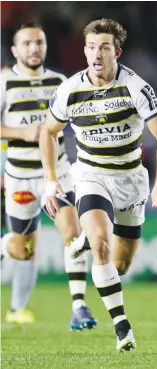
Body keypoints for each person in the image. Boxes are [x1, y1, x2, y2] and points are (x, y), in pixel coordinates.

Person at [39, 18, 157, 352]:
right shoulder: (70, 90)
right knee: (100, 244)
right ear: (84, 51)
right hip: (91, 175)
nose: (96, 53)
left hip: (130, 179)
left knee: (121, 263)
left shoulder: (135, 87)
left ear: (117, 51)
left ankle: (89, 241)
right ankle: (122, 327)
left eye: (104, 47)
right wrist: (50, 180)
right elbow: (48, 131)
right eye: (90, 47)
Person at [0, 23, 97, 330]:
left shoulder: (60, 82)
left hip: (58, 173)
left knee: (73, 233)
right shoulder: (4, 82)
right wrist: (21, 132)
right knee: (22, 249)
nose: (34, 48)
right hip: (20, 177)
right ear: (15, 50)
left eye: (39, 42)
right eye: (27, 43)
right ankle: (7, 257)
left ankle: (79, 306)